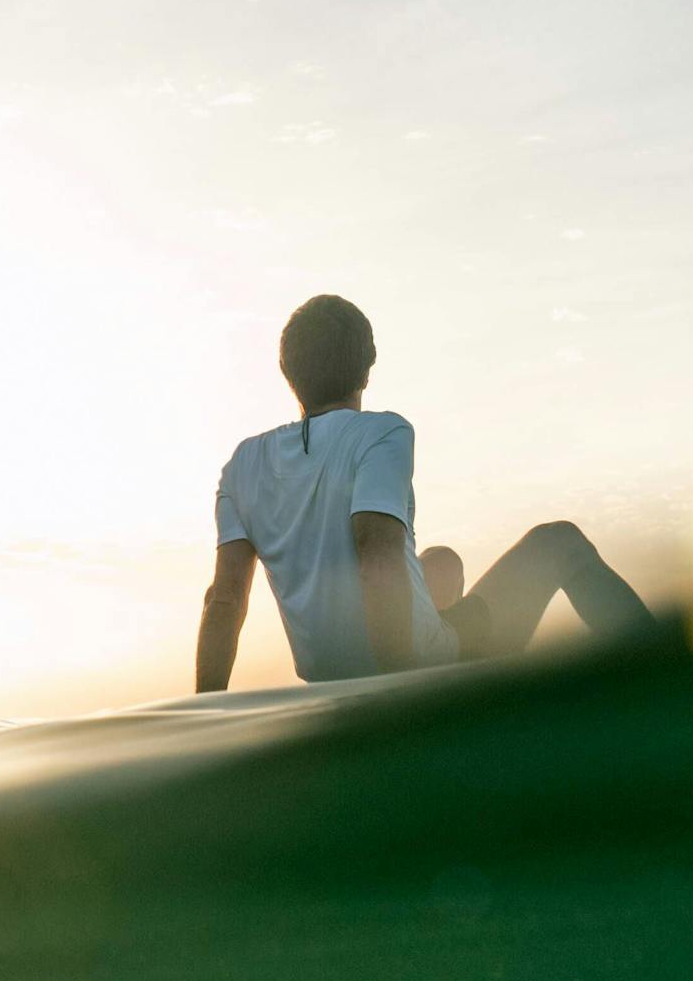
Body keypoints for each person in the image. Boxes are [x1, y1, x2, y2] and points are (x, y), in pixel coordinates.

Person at [196, 294, 655, 691]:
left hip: (329, 676)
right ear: (367, 368)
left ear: (286, 371)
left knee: (442, 562)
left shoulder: (243, 464)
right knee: (559, 541)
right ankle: (661, 674)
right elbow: (376, 552)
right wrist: (407, 695)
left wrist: (202, 719)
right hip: (415, 667)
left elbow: (225, 600)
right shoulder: (382, 434)